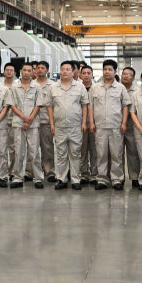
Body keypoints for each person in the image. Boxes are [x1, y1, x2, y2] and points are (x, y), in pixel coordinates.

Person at [89, 59, 131, 191]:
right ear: (102, 71)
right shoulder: (95, 88)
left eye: (110, 70)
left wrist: (124, 123)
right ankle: (102, 179)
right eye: (105, 69)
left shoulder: (121, 88)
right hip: (100, 126)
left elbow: (125, 106)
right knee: (101, 154)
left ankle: (117, 179)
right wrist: (91, 122)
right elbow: (91, 106)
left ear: (115, 72)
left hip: (116, 126)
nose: (107, 72)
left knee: (116, 154)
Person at [47, 61, 89, 190]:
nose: (65, 71)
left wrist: (83, 123)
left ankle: (76, 180)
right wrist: (52, 124)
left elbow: (84, 105)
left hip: (76, 126)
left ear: (73, 72)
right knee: (61, 154)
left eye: (67, 69)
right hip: (59, 127)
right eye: (62, 69)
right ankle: (62, 179)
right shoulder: (53, 87)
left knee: (75, 154)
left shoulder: (80, 87)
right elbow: (50, 107)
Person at [8, 62, 44, 189]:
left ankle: (38, 178)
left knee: (34, 152)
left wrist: (29, 119)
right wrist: (24, 118)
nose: (27, 72)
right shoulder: (14, 87)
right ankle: (17, 177)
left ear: (32, 72)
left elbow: (38, 105)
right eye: (25, 70)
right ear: (21, 71)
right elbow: (12, 105)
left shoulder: (37, 87)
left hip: (33, 124)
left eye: (29, 70)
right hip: (18, 124)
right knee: (18, 151)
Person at [34, 61, 57, 183]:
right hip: (32, 121)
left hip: (46, 120)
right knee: (32, 149)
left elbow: (54, 104)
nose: (40, 70)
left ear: (47, 70)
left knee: (47, 147)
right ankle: (31, 171)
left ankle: (49, 171)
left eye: (42, 68)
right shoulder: (31, 84)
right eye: (38, 68)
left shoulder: (53, 85)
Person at [120, 66, 142, 188]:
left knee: (133, 152)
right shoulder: (116, 88)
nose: (126, 76)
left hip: (132, 125)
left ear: (133, 78)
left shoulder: (138, 91)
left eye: (129, 75)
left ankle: (135, 177)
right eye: (124, 74)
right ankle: (119, 177)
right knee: (117, 153)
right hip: (117, 124)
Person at [78, 64, 99, 185]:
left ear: (92, 75)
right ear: (80, 75)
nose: (86, 75)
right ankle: (83, 173)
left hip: (95, 123)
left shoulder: (97, 88)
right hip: (80, 123)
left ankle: (94, 174)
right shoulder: (76, 87)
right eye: (84, 73)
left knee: (94, 149)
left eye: (88, 73)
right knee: (82, 149)